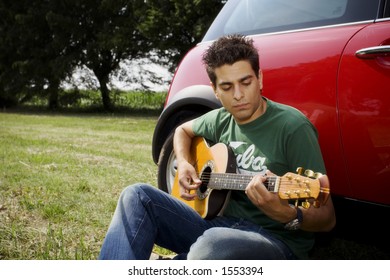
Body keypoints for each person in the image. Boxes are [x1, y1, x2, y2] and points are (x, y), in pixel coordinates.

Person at [98, 34, 336, 260]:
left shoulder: (293, 127)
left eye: (246, 82)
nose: (239, 95)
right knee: (137, 196)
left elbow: (328, 219)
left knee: (211, 244)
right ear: (214, 90)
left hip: (276, 242)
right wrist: (185, 163)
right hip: (218, 225)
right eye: (227, 87)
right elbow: (182, 131)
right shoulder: (221, 118)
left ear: (260, 78)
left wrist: (288, 215)